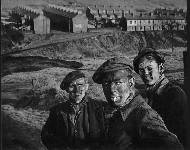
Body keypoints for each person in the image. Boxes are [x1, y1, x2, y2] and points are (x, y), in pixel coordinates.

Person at [92, 57, 183, 150]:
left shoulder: (143, 115)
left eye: (118, 82)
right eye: (106, 83)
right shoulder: (116, 111)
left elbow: (173, 145)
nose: (111, 89)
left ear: (131, 83)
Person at [133, 48, 189, 147]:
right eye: (141, 70)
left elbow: (177, 136)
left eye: (150, 68)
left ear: (161, 68)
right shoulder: (149, 95)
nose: (145, 73)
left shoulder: (174, 94)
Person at [41, 70, 106, 150]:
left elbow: (108, 137)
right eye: (72, 86)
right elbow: (46, 135)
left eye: (80, 85)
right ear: (67, 89)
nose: (77, 90)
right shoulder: (57, 111)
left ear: (86, 87)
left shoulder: (100, 108)